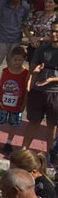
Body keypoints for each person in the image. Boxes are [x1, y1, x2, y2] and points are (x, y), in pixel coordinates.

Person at [0, 0, 31, 98]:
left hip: (15, 39)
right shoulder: (2, 4)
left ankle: (9, 88)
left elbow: (24, 23)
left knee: (13, 66)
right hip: (0, 38)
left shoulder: (25, 7)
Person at [0, 46, 31, 156]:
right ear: (11, 58)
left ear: (24, 59)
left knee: (14, 123)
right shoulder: (6, 70)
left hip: (17, 104)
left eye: (20, 60)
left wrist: (24, 104)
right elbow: (0, 84)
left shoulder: (26, 73)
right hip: (2, 103)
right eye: (15, 59)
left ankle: (9, 142)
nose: (17, 62)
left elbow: (27, 90)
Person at [23, 22, 58, 157]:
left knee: (52, 126)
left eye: (57, 31)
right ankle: (24, 150)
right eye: (52, 31)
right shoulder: (42, 49)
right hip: (38, 91)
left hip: (55, 93)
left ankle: (49, 154)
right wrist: (34, 73)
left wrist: (52, 80)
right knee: (33, 122)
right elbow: (32, 68)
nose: (54, 34)